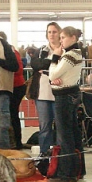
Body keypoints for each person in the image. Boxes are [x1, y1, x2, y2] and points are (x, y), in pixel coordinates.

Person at [47, 26, 86, 182]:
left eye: (63, 37)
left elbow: (53, 74)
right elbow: (55, 76)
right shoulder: (74, 54)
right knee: (73, 134)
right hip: (69, 94)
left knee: (65, 136)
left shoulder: (69, 55)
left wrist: (55, 58)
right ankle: (78, 170)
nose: (60, 40)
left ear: (73, 38)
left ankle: (67, 173)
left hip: (64, 97)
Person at [29, 22, 61, 154]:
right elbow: (36, 65)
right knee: (44, 127)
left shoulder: (66, 50)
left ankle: (61, 156)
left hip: (60, 93)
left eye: (54, 32)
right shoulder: (41, 50)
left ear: (59, 33)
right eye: (49, 32)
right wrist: (54, 60)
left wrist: (46, 67)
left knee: (60, 127)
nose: (52, 34)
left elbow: (62, 68)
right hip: (42, 94)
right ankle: (44, 156)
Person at [0, 31, 27, 150]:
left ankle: (16, 142)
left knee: (12, 115)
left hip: (16, 87)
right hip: (8, 87)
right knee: (10, 115)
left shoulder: (12, 51)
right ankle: (13, 141)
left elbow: (18, 69)